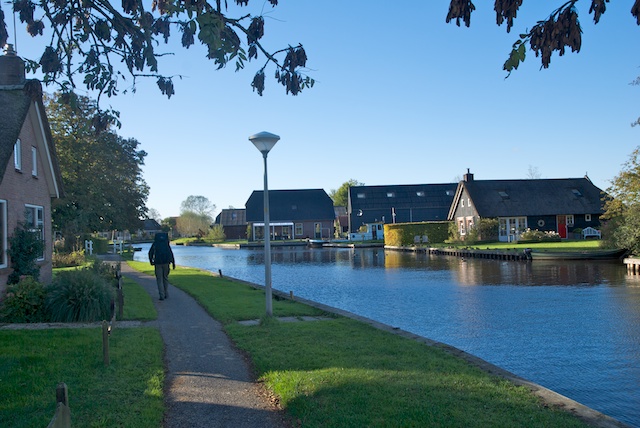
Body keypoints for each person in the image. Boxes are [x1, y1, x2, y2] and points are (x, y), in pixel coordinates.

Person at [148, 232, 175, 300]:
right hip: (166, 263)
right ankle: (166, 293)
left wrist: (151, 261)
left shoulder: (155, 244)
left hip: (157, 263)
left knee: (159, 279)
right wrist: (173, 263)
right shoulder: (166, 244)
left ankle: (161, 295)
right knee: (165, 278)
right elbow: (170, 253)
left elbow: (150, 252)